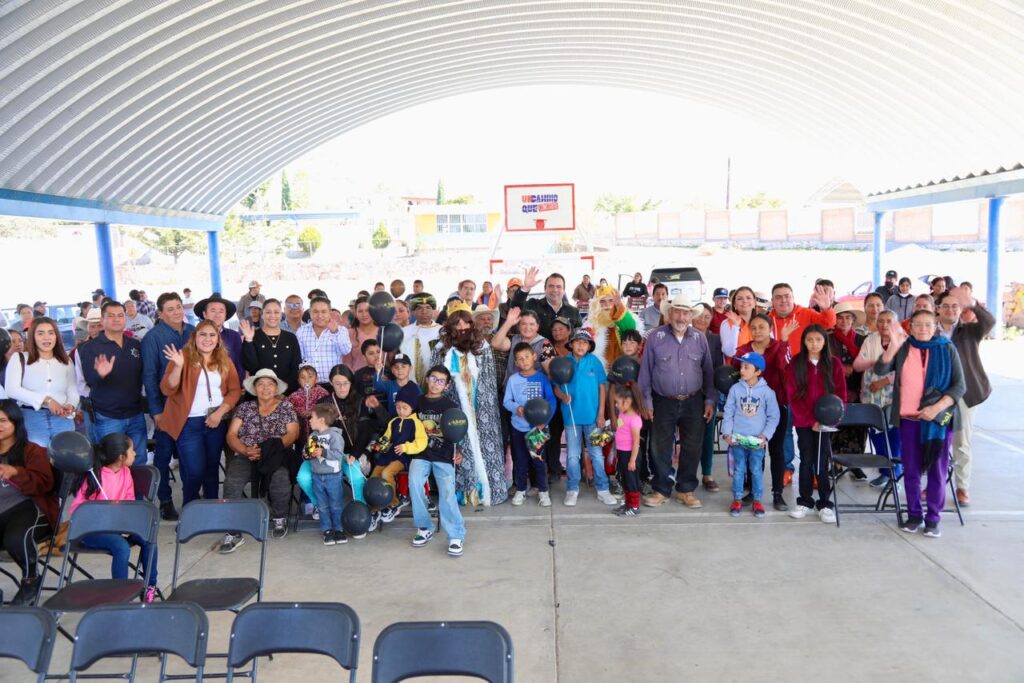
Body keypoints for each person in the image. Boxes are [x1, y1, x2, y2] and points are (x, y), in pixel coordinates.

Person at [875, 310, 965, 537]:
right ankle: (914, 515)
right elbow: (880, 369)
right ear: (910, 327)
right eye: (918, 324)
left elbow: (959, 386)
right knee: (912, 471)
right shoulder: (904, 347)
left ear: (935, 326)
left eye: (928, 324)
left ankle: (933, 518)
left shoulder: (947, 348)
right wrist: (893, 346)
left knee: (937, 471)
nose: (923, 329)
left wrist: (936, 408)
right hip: (909, 420)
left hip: (938, 421)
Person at [639, 293, 715, 509]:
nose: (681, 317)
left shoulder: (699, 339)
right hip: (663, 400)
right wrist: (647, 402)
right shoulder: (655, 337)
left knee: (692, 446)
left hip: (694, 401)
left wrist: (710, 400)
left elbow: (708, 372)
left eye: (686, 313)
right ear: (669, 314)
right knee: (660, 446)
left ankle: (686, 490)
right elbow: (645, 372)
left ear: (691, 316)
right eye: (677, 312)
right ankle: (661, 490)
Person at [430, 305, 510, 506]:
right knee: (460, 449)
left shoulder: (482, 346)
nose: (462, 328)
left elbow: (489, 379)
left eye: (466, 323)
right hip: (454, 408)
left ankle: (489, 490)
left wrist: (482, 405)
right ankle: (465, 493)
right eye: (458, 324)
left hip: (481, 407)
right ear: (451, 327)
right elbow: (436, 378)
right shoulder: (440, 349)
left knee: (485, 447)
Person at [159, 321, 242, 505]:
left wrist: (219, 413)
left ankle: (211, 509)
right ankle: (190, 507)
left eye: (212, 335)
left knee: (212, 469)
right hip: (188, 423)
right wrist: (178, 366)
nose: (207, 339)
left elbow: (235, 390)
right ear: (194, 337)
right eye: (203, 334)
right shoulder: (183, 357)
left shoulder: (224, 360)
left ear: (218, 339)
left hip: (216, 421)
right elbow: (167, 388)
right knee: (194, 470)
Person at [70, 433, 159, 602]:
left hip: (117, 527)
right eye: (132, 450)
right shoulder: (94, 476)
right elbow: (77, 511)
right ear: (121, 457)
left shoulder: (125, 472)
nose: (135, 454)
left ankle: (150, 585)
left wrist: (126, 524)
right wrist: (106, 520)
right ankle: (120, 594)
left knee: (148, 538)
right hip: (91, 530)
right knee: (121, 547)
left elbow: (129, 502)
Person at [223, 369, 300, 546]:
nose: (265, 388)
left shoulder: (286, 407)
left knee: (280, 479)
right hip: (247, 454)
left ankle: (279, 518)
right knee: (232, 482)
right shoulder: (245, 408)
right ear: (254, 388)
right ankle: (232, 528)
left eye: (270, 384)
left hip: (276, 455)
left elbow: (293, 433)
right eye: (261, 384)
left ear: (276, 388)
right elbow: (231, 434)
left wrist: (271, 450)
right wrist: (244, 450)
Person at [936, 287, 994, 506]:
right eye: (946, 306)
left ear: (961, 309)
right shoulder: (929, 331)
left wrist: (972, 304)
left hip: (965, 394)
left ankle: (962, 487)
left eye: (955, 306)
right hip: (938, 396)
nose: (951, 310)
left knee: (962, 441)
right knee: (937, 440)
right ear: (938, 309)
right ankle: (935, 485)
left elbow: (989, 322)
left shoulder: (969, 331)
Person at [141, 292, 194, 520]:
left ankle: (191, 499)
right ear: (161, 314)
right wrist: (156, 411)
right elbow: (150, 376)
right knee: (163, 456)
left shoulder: (193, 332)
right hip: (166, 407)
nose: (176, 312)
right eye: (170, 309)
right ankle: (165, 500)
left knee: (189, 457)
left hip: (192, 407)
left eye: (179, 307)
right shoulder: (152, 338)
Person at [786, 325, 846, 524]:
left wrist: (829, 419)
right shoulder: (796, 363)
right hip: (805, 423)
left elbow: (841, 395)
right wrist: (810, 420)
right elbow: (793, 395)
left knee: (822, 461)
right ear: (804, 341)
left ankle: (825, 503)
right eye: (810, 340)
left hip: (826, 423)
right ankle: (804, 500)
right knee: (806, 460)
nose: (814, 344)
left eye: (818, 340)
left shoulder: (834, 364)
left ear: (825, 342)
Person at [0, 399, 57, 604]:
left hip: (29, 508)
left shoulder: (32, 451)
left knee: (16, 538)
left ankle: (31, 580)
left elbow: (45, 484)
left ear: (16, 422)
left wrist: (16, 472)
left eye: (3, 421)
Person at [732, 314, 791, 510]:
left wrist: (783, 341)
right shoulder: (743, 351)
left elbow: (783, 366)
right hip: (750, 410)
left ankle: (777, 493)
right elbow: (734, 374)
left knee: (776, 450)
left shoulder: (780, 346)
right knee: (753, 450)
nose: (757, 331)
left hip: (776, 407)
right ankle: (753, 492)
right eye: (754, 327)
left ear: (770, 329)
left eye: (762, 327)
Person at [78, 301, 149, 463]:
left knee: (139, 460)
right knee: (112, 464)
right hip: (108, 416)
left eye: (120, 315)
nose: (116, 319)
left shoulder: (135, 344)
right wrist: (100, 374)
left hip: (136, 414)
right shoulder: (90, 348)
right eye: (110, 316)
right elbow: (89, 381)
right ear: (102, 320)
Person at [553, 329, 616, 506]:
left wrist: (601, 413)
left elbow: (602, 388)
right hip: (571, 418)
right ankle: (572, 489)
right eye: (577, 342)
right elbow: (556, 386)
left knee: (596, 454)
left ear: (589, 346)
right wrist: (562, 396)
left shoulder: (594, 362)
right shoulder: (564, 362)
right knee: (573, 455)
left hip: (593, 418)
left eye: (585, 342)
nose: (581, 345)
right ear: (571, 344)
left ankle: (603, 489)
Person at [409, 364, 466, 556]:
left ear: (446, 386)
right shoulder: (417, 402)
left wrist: (460, 451)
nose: (436, 384)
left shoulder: (450, 406)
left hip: (444, 454)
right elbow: (408, 425)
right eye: (433, 379)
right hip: (421, 453)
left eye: (441, 381)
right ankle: (425, 527)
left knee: (447, 493)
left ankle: (456, 535)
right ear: (427, 379)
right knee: (414, 482)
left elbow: (459, 431)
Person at [722, 352, 780, 518]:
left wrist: (765, 436)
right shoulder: (735, 389)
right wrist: (727, 433)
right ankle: (737, 499)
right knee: (739, 469)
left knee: (756, 470)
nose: (741, 370)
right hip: (738, 439)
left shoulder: (767, 392)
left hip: (756, 441)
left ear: (758, 372)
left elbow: (774, 416)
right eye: (741, 366)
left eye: (746, 367)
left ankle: (757, 500)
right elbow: (728, 412)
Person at [5, 317, 79, 447]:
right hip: (31, 418)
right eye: (40, 333)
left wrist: (70, 405)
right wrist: (46, 400)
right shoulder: (20, 358)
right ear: (32, 337)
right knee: (37, 457)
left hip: (62, 419)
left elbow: (72, 389)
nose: (46, 338)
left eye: (51, 333)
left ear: (56, 336)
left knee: (66, 455)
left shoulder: (66, 361)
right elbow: (11, 389)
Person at [853, 310, 903, 489]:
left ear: (896, 324)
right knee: (877, 435)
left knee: (894, 436)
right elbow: (857, 365)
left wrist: (884, 380)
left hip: (894, 396)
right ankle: (885, 472)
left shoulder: (904, 342)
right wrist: (874, 363)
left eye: (889, 321)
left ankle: (895, 475)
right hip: (871, 394)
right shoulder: (870, 340)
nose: (884, 325)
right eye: (881, 321)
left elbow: (906, 370)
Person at [504, 342, 556, 507]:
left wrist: (544, 422)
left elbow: (551, 401)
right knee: (520, 461)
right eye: (520, 359)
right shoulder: (513, 380)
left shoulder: (542, 378)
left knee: (538, 461)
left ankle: (543, 491)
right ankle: (520, 490)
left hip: (537, 429)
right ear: (516, 363)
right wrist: (516, 407)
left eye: (527, 357)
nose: (524, 361)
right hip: (518, 427)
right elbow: (506, 401)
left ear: (534, 357)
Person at [374, 383, 427, 522]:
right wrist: (380, 445)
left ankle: (393, 503)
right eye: (398, 407)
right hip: (388, 455)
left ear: (412, 408)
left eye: (405, 408)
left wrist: (406, 447)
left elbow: (422, 442)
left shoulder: (416, 423)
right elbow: (386, 437)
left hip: (403, 457)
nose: (401, 411)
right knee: (374, 476)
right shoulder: (393, 421)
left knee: (387, 473)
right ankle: (374, 507)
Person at [829, 302, 869, 479]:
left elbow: (868, 360)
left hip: (857, 387)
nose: (844, 321)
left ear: (853, 320)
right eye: (840, 318)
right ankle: (836, 464)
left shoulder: (862, 339)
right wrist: (840, 369)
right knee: (837, 427)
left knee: (858, 427)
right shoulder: (828, 339)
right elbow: (824, 361)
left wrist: (855, 368)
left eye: (848, 318)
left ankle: (855, 464)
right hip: (834, 388)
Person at [305, 403, 348, 545]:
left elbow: (338, 454)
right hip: (317, 475)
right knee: (322, 505)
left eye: (312, 417)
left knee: (336, 504)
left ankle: (339, 529)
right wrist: (306, 454)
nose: (309, 420)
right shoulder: (312, 436)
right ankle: (327, 530)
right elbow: (307, 451)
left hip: (332, 476)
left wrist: (323, 452)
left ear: (321, 420)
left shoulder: (334, 436)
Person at [691, 303, 724, 492]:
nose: (702, 320)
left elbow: (718, 369)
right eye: (699, 315)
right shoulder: (685, 336)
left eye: (707, 316)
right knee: (689, 437)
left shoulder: (716, 340)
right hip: (688, 394)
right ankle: (688, 475)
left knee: (708, 435)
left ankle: (707, 474)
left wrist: (712, 397)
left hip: (708, 393)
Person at [241, 299, 302, 393]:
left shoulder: (291, 338)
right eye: (268, 312)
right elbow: (251, 367)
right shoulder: (252, 335)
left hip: (287, 393)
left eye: (276, 312)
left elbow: (296, 367)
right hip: (260, 393)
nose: (272, 316)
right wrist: (249, 340)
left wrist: (284, 391)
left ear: (281, 315)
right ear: (262, 315)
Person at [509, 267, 582, 340]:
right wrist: (525, 288)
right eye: (551, 286)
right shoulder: (533, 305)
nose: (555, 290)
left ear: (563, 290)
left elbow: (580, 336)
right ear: (545, 289)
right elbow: (515, 308)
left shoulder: (574, 312)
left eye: (558, 287)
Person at [769, 282, 837, 357]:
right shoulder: (767, 320)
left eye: (787, 296)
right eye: (778, 297)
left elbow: (829, 323)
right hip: (777, 363)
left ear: (793, 298)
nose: (783, 300)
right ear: (772, 301)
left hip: (803, 362)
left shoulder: (806, 313)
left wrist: (826, 308)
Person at [296, 296, 352, 380]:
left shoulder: (341, 330)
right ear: (310, 312)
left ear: (329, 312)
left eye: (323, 312)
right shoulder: (301, 331)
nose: (320, 315)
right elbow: (300, 357)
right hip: (310, 383)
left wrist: (335, 332)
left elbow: (345, 350)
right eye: (315, 312)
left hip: (333, 382)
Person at [610, 381, 644, 517]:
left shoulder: (635, 419)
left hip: (631, 454)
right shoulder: (622, 414)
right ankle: (628, 503)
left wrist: (632, 460)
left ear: (628, 401)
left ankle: (634, 506)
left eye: (618, 402)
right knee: (624, 479)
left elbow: (636, 442)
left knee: (632, 480)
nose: (616, 405)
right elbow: (620, 428)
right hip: (622, 452)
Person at [587, 286, 639, 370]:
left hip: (623, 368)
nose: (607, 305)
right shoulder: (590, 324)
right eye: (602, 301)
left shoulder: (624, 318)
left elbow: (631, 328)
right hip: (599, 370)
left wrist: (619, 306)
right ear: (597, 304)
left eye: (611, 300)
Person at [493, 308, 552, 382]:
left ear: (537, 327)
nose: (527, 328)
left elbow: (550, 373)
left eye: (532, 324)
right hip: (512, 387)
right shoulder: (513, 339)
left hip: (534, 387)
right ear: (518, 326)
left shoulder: (545, 344)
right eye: (524, 324)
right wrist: (508, 323)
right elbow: (495, 344)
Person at [195, 294, 244, 382]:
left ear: (225, 315)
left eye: (221, 311)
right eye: (213, 310)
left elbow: (240, 363)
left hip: (230, 385)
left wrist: (239, 383)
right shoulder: (195, 336)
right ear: (204, 314)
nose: (217, 315)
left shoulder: (234, 336)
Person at [401, 292, 442, 387]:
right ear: (413, 311)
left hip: (436, 385)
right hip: (409, 384)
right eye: (419, 308)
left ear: (433, 310)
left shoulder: (442, 332)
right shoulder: (404, 332)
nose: (424, 311)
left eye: (428, 307)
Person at [720, 286, 758, 360]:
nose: (745, 301)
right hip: (736, 366)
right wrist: (735, 326)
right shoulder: (727, 323)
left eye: (748, 298)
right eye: (740, 299)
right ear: (734, 304)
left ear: (754, 303)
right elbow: (729, 352)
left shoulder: (762, 323)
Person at [343, 297, 379, 371]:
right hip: (357, 376)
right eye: (360, 311)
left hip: (382, 376)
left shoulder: (383, 331)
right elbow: (347, 362)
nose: (364, 314)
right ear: (355, 314)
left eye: (367, 310)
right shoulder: (348, 334)